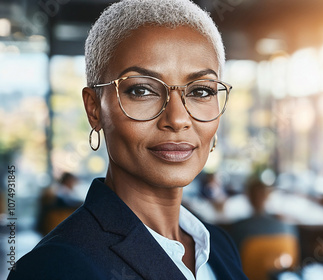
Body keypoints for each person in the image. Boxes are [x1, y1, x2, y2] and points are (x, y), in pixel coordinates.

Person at [8, 0, 248, 279]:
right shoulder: (54, 267)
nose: (178, 118)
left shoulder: (219, 246)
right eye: (142, 90)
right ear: (94, 109)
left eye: (201, 91)